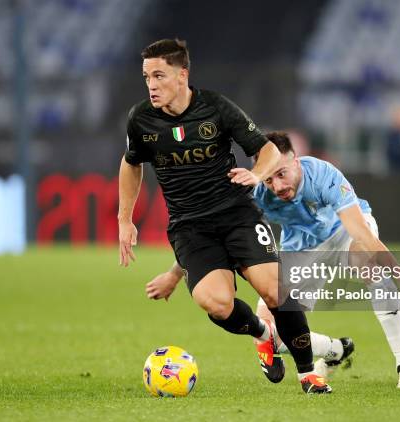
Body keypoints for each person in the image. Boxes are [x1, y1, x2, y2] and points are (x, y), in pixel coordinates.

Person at [147, 131, 400, 388]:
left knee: (366, 262)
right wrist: (174, 274)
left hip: (343, 234)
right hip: (299, 248)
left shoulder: (324, 176)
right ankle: (334, 351)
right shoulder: (255, 192)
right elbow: (213, 235)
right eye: (270, 177)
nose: (277, 186)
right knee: (269, 331)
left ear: (296, 162)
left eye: (282, 174)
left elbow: (363, 235)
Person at [118, 39, 331, 394]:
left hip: (237, 216)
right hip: (190, 227)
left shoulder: (216, 108)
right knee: (216, 303)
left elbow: (266, 151)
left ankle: (308, 373)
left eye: (159, 75)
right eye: (146, 77)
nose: (151, 85)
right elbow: (131, 163)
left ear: (182, 74)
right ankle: (264, 336)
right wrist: (126, 218)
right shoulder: (140, 119)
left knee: (275, 290)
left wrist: (257, 175)